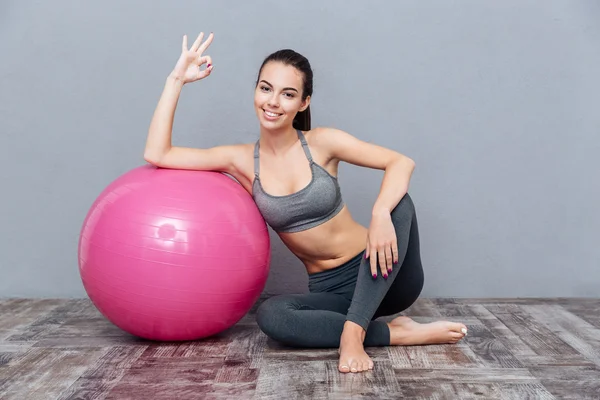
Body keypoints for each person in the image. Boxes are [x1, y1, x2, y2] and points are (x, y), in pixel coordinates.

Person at [144, 32, 468, 374]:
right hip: (331, 293)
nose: (272, 102)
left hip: (383, 273)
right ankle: (393, 333)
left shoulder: (323, 143)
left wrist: (380, 214)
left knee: (399, 203)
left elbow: (402, 162)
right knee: (272, 316)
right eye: (266, 88)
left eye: (288, 94)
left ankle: (354, 335)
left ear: (303, 103)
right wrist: (176, 78)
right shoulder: (240, 160)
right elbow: (158, 153)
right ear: (255, 91)